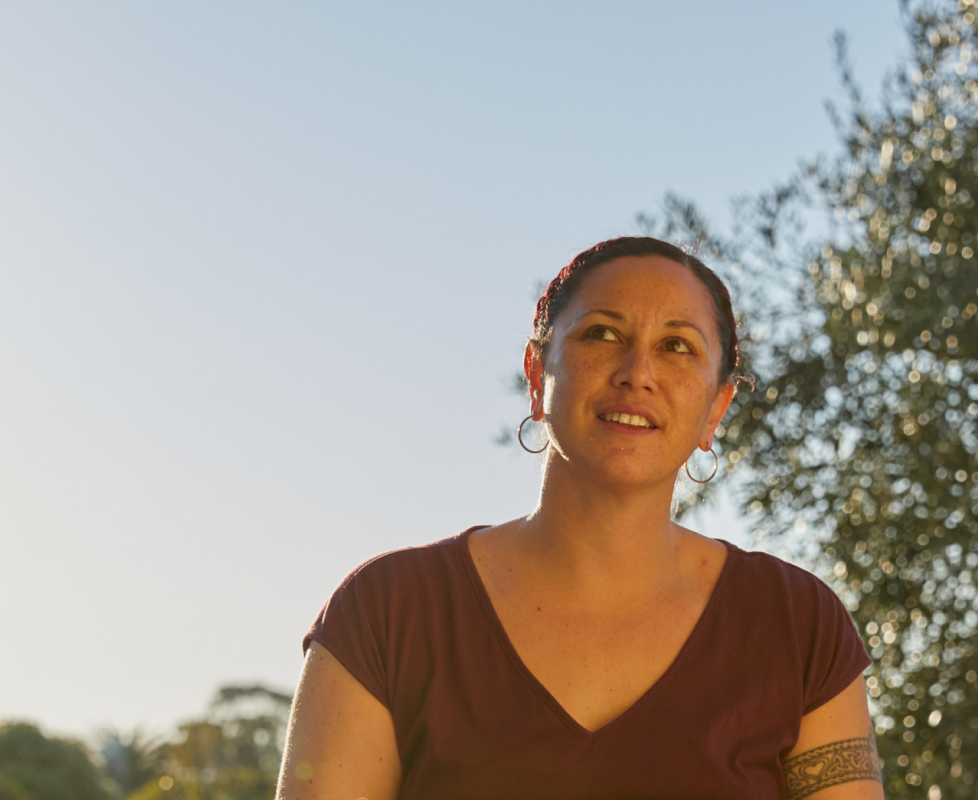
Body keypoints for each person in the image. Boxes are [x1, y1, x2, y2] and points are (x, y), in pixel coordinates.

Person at [276, 237, 883, 800]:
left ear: (716, 409)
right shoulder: (387, 614)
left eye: (677, 346)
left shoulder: (798, 628)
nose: (636, 373)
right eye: (601, 334)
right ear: (538, 375)